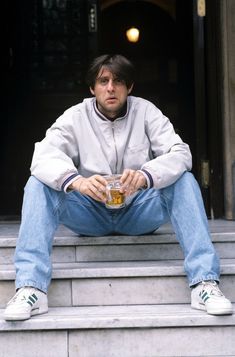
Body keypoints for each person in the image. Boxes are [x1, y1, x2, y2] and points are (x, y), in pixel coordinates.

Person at [4, 54, 233, 321]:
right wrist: (76, 181)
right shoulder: (76, 116)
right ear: (92, 88)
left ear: (130, 87)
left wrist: (147, 175)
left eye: (118, 81)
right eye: (103, 81)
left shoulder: (146, 111)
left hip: (138, 212)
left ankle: (204, 282)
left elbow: (180, 153)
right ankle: (31, 287)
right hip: (90, 214)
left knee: (184, 180)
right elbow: (42, 155)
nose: (111, 88)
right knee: (37, 184)